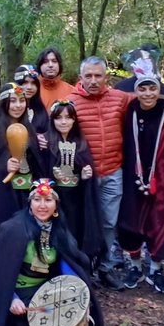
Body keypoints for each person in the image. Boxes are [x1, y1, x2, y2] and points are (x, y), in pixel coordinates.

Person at [0, 180, 108, 326]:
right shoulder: (13, 230)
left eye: (48, 200)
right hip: (20, 292)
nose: (42, 206)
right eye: (37, 200)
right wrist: (11, 298)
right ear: (30, 204)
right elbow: (1, 274)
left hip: (48, 289)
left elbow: (70, 265)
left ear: (56, 205)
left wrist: (80, 296)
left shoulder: (59, 230)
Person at [69, 56, 133, 289]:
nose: (94, 80)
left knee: (108, 223)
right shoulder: (71, 102)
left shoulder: (119, 99)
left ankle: (105, 268)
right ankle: (83, 269)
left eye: (98, 76)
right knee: (83, 223)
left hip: (113, 171)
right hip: (84, 175)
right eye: (89, 76)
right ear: (81, 78)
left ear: (106, 77)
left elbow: (148, 101)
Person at [117, 75, 164, 293]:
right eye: (142, 89)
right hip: (132, 176)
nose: (147, 94)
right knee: (130, 222)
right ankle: (135, 267)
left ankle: (155, 269)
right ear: (136, 91)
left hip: (162, 178)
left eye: (152, 88)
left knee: (159, 221)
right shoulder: (129, 110)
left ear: (159, 89)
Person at [0, 84, 49, 254]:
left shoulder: (28, 127)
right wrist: (3, 165)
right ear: (4, 103)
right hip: (3, 192)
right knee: (5, 235)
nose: (18, 105)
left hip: (26, 191)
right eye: (12, 101)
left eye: (22, 101)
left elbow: (35, 160)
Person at [43, 101, 102, 261]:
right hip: (55, 199)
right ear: (52, 120)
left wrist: (85, 176)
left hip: (76, 199)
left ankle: (76, 266)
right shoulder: (46, 143)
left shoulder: (81, 143)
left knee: (75, 231)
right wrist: (52, 175)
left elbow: (86, 168)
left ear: (74, 120)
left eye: (68, 117)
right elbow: (40, 171)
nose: (63, 122)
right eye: (59, 118)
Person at [13, 64, 51, 135]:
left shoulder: (40, 111)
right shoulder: (9, 109)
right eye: (25, 82)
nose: (29, 87)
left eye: (33, 83)